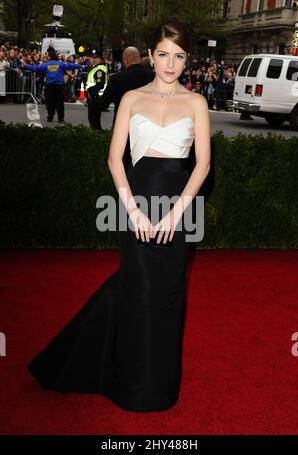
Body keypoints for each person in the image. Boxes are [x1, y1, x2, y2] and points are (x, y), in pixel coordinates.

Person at [27, 20, 211, 412]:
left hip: (178, 213)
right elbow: (115, 159)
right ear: (150, 55)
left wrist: (176, 214)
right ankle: (130, 384)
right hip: (135, 206)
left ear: (186, 60)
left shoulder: (197, 103)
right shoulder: (132, 99)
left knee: (168, 298)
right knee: (137, 293)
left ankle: (160, 386)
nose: (170, 63)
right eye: (163, 54)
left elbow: (202, 166)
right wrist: (134, 212)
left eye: (178, 56)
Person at [96, 46, 155, 171]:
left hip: (124, 131)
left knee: (123, 168)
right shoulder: (153, 77)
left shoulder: (117, 78)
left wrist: (93, 98)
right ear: (139, 59)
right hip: (150, 130)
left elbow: (102, 105)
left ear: (125, 60)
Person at [23, 49, 82, 122]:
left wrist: (26, 65)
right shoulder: (60, 64)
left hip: (49, 85)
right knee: (60, 102)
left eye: (47, 56)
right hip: (59, 86)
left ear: (50, 57)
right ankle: (61, 118)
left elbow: (36, 68)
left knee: (50, 102)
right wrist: (80, 65)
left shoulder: (46, 64)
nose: (46, 57)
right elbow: (70, 65)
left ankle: (50, 117)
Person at [85, 53, 108, 130]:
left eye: (96, 58)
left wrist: (89, 91)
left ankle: (97, 136)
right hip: (93, 96)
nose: (93, 60)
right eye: (92, 58)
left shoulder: (99, 70)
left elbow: (100, 85)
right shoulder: (95, 68)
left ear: (101, 59)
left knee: (94, 120)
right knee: (93, 120)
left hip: (95, 96)